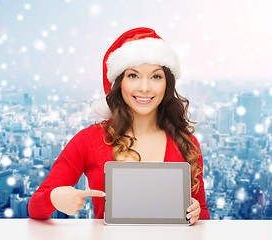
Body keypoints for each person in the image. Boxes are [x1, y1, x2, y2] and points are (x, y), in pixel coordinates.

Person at [28, 27, 210, 224]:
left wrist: (196, 213)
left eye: (156, 76)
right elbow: (35, 206)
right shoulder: (89, 140)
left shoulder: (186, 143)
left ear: (167, 84)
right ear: (119, 82)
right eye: (133, 75)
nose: (144, 87)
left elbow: (203, 215)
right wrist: (54, 198)